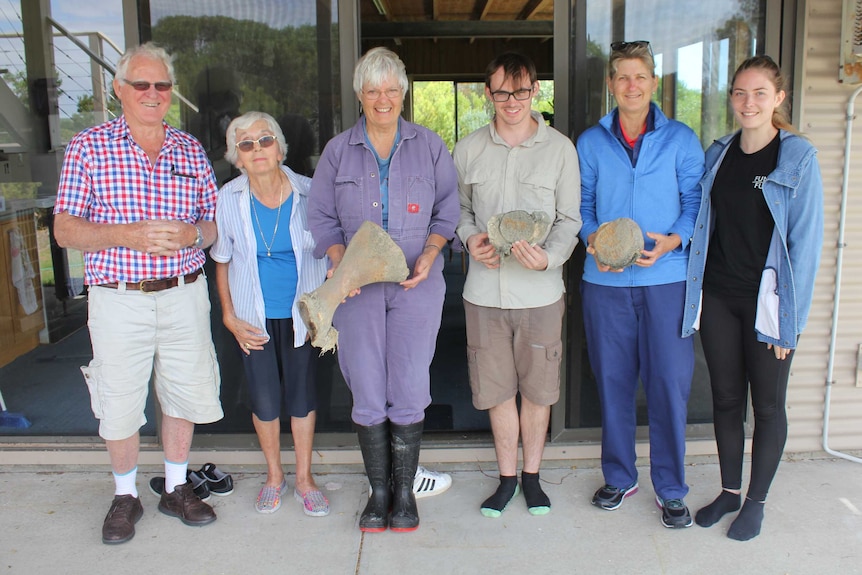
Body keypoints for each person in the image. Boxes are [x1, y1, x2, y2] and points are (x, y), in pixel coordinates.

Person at [53, 42, 222, 544]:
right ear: (119, 88)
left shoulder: (190, 149)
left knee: (183, 393)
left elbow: (212, 225)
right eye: (141, 84)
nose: (153, 94)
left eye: (162, 85)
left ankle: (175, 488)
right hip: (118, 295)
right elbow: (64, 229)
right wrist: (125, 234)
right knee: (120, 399)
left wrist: (193, 234)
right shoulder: (88, 146)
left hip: (183, 293)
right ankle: (125, 495)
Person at [308, 47, 459, 532]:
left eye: (392, 89)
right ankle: (378, 493)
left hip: (417, 282)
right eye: (373, 90)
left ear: (404, 92)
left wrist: (432, 254)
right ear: (359, 95)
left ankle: (404, 492)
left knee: (411, 384)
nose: (383, 99)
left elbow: (448, 211)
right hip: (358, 289)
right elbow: (322, 218)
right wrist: (340, 262)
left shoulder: (430, 145)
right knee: (367, 385)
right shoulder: (337, 151)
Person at [682, 55, 823, 541]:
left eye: (760, 92)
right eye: (740, 93)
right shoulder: (718, 153)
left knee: (766, 405)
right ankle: (728, 491)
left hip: (768, 304)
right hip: (719, 295)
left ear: (779, 98)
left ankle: (756, 502)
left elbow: (805, 246)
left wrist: (791, 322)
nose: (749, 102)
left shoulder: (798, 157)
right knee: (724, 399)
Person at [576, 40, 704, 528]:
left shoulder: (680, 139)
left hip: (666, 281)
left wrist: (673, 241)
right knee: (613, 383)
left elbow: (695, 202)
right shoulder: (591, 142)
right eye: (622, 77)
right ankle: (620, 475)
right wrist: (595, 244)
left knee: (669, 385)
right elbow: (584, 206)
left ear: (653, 83)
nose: (631, 85)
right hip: (604, 283)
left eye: (640, 76)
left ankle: (671, 488)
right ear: (611, 85)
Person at [454, 51, 581, 518]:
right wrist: (470, 241)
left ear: (536, 92)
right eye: (503, 91)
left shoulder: (560, 150)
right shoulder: (467, 149)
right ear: (488, 93)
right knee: (496, 389)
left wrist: (549, 258)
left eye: (522, 91)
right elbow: (459, 214)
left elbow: (570, 220)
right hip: (484, 293)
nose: (512, 101)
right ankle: (506, 479)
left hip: (540, 293)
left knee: (538, 389)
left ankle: (532, 477)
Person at [210, 111, 330, 516]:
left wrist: (328, 307)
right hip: (252, 317)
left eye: (264, 140)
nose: (257, 149)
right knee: (264, 400)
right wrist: (227, 316)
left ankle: (304, 478)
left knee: (301, 398)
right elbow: (222, 260)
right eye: (246, 144)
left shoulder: (312, 192)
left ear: (280, 148)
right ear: (237, 157)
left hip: (303, 315)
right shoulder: (228, 198)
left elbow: (334, 252)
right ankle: (275, 476)